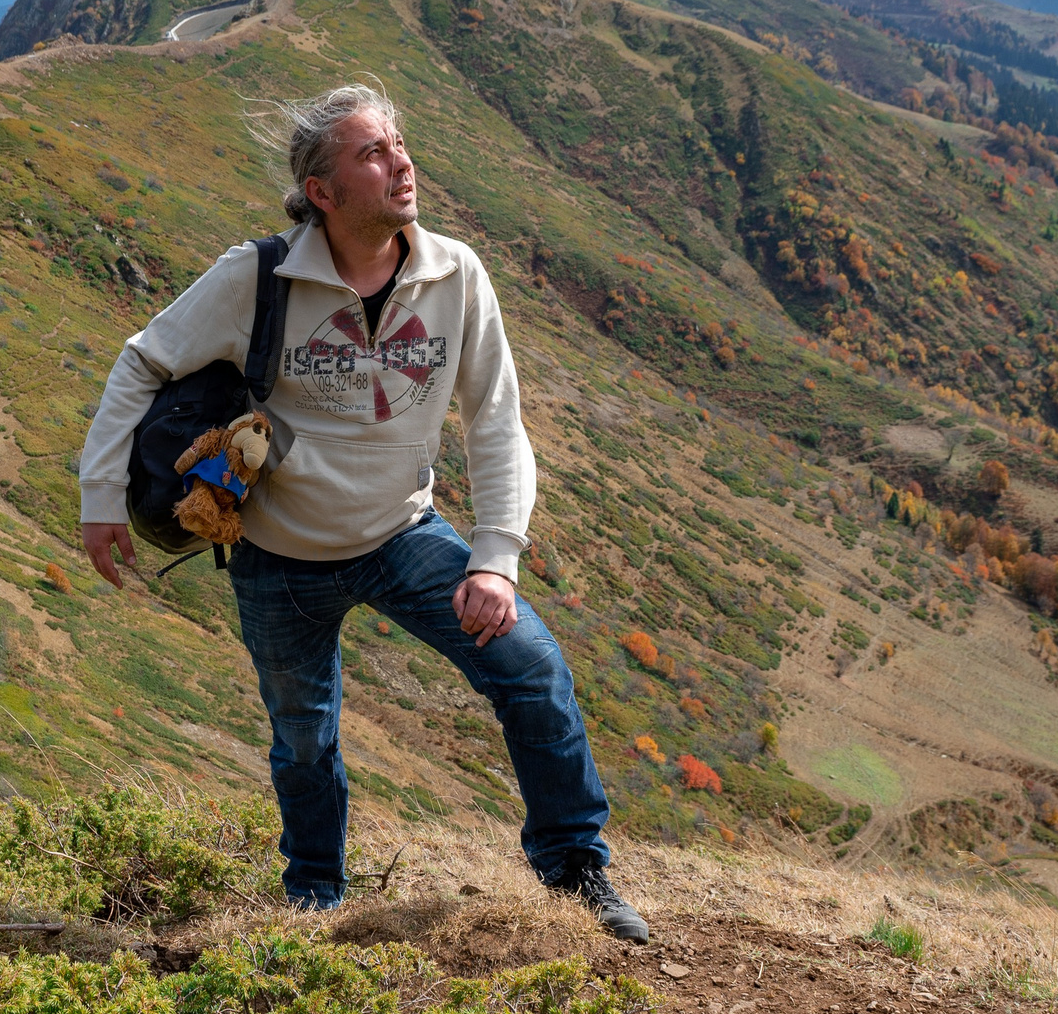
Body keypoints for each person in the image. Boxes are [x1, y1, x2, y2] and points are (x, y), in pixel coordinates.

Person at [78, 84, 648, 941]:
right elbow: (141, 361)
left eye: (400, 145)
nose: (402, 163)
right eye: (373, 152)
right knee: (304, 737)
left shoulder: (455, 274)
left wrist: (495, 557)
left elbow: (495, 419)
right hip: (278, 553)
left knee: (531, 669)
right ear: (323, 190)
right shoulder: (258, 276)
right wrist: (99, 497)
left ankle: (573, 868)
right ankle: (315, 898)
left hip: (403, 534)